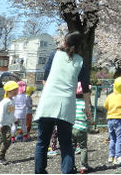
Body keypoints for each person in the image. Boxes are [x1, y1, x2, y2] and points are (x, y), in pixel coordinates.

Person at [34, 31, 92, 174]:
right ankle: (67, 172)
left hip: (48, 101)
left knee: (42, 142)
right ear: (79, 46)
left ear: (65, 42)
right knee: (66, 144)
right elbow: (85, 87)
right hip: (65, 104)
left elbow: (45, 77)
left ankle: (39, 172)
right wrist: (87, 108)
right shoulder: (80, 61)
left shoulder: (55, 55)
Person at [0, 80, 19, 165]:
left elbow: (11, 113)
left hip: (8, 124)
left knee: (2, 141)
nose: (17, 91)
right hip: (3, 125)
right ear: (9, 91)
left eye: (17, 89)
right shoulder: (4, 102)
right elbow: (0, 113)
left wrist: (15, 119)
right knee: (7, 141)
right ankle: (0, 157)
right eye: (15, 90)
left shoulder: (12, 101)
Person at [72, 82, 93, 174]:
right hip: (82, 128)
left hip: (72, 127)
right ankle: (84, 166)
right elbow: (88, 117)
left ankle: (71, 165)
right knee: (83, 148)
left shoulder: (72, 103)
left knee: (71, 147)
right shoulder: (85, 104)